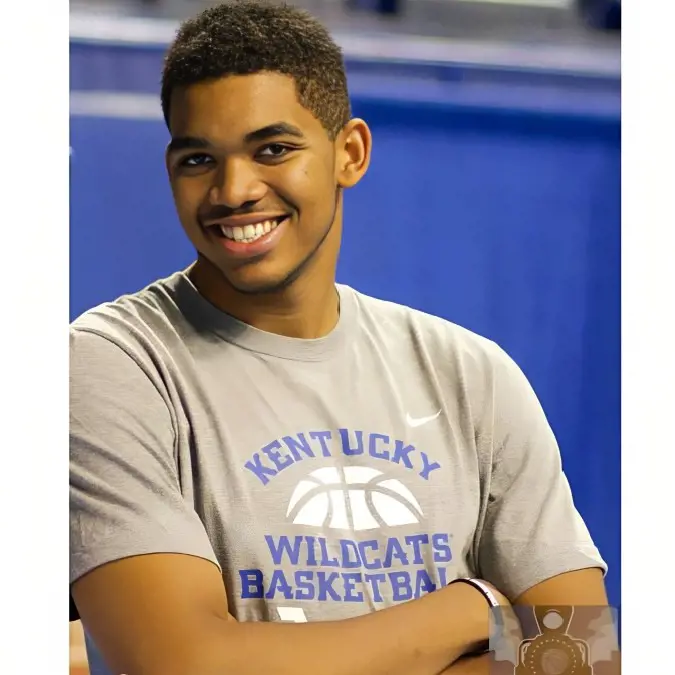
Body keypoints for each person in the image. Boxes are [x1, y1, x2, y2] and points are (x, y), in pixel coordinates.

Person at [69, 2, 611, 674]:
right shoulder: (111, 363)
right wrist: (464, 611)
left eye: (273, 149)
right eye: (198, 159)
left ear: (348, 152)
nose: (233, 189)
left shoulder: (472, 374)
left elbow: (582, 651)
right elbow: (185, 662)